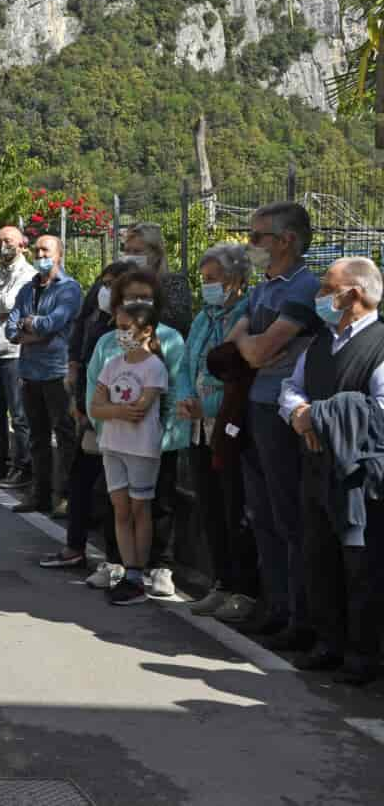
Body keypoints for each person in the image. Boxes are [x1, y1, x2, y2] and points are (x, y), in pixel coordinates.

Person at [279, 257, 384, 685]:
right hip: (317, 468)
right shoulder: (323, 342)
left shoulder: (380, 344)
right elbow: (291, 386)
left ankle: (363, 655)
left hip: (360, 475)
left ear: (353, 295)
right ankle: (328, 643)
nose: (320, 296)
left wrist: (318, 416)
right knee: (318, 555)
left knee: (360, 565)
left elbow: (379, 412)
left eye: (327, 288)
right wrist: (299, 413)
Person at [226, 202, 321, 648]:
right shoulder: (265, 288)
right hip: (255, 405)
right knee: (261, 513)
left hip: (282, 412)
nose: (251, 245)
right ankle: (277, 605)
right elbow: (235, 343)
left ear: (287, 240)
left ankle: (301, 617)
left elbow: (261, 352)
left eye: (258, 236)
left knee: (288, 515)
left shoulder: (303, 289)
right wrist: (251, 343)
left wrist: (252, 345)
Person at [78, 269, 190, 596]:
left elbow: (168, 393)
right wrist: (105, 419)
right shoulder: (106, 344)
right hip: (113, 440)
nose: (138, 303)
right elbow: (93, 393)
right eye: (131, 297)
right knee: (117, 504)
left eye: (145, 297)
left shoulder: (168, 341)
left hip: (154, 440)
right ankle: (120, 564)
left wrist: (167, 434)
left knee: (157, 505)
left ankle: (156, 566)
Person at [179, 246, 259, 621]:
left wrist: (206, 406)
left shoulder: (248, 316)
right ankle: (221, 583)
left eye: (213, 279)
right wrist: (184, 398)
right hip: (197, 428)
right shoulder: (202, 317)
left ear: (236, 280)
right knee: (209, 509)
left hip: (227, 426)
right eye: (204, 279)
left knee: (233, 510)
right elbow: (185, 365)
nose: (207, 286)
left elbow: (238, 376)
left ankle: (244, 590)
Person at [39, 259, 135, 571]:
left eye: (112, 285)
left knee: (113, 493)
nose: (105, 290)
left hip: (118, 421)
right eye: (103, 284)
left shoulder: (128, 329)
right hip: (91, 416)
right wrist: (80, 405)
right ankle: (75, 548)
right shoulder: (98, 322)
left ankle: (116, 561)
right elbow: (84, 363)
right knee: (82, 482)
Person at [89, 300, 169, 606]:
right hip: (113, 445)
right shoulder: (113, 365)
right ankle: (128, 570)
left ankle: (138, 573)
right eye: (118, 328)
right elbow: (95, 408)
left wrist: (113, 409)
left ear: (146, 330)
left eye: (126, 328)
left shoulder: (154, 367)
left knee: (139, 509)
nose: (120, 334)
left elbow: (140, 410)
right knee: (120, 509)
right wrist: (115, 411)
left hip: (141, 448)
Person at [5, 234, 82, 517]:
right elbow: (10, 330)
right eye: (36, 250)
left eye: (45, 250)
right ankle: (39, 493)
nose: (40, 255)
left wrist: (32, 327)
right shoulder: (28, 289)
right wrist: (35, 332)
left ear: (59, 254)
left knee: (64, 436)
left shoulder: (69, 289)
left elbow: (55, 323)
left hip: (56, 371)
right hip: (29, 372)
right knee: (36, 436)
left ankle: (65, 496)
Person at [0, 226, 37, 487]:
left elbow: (15, 303)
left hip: (14, 351)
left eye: (9, 240)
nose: (4, 245)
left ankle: (23, 467)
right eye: (1, 240)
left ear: (22, 244)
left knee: (19, 413)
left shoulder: (29, 274)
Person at [120, 223, 193, 335]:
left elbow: (178, 323)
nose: (130, 257)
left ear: (156, 254)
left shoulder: (174, 283)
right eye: (127, 251)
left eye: (137, 251)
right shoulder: (121, 283)